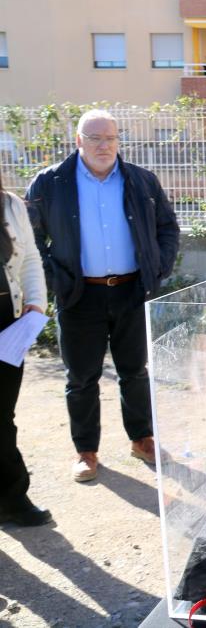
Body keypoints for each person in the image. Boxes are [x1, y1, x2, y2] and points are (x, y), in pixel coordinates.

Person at [26, 109, 180, 483]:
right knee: (81, 378)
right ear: (78, 141)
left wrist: (155, 267)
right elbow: (30, 241)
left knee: (135, 371)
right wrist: (55, 280)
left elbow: (167, 227)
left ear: (118, 141)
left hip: (131, 290)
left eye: (110, 137)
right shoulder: (51, 183)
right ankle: (86, 451)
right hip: (79, 295)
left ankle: (142, 439)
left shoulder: (140, 181)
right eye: (94, 138)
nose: (104, 145)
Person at [0, 183, 50, 526]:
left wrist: (35, 301)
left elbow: (30, 257)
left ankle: (13, 499)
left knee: (3, 415)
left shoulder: (10, 204)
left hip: (7, 320)